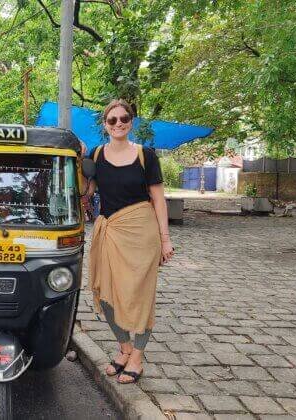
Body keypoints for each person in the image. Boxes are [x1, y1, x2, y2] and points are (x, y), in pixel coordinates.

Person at [86, 99, 174, 384]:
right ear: (105, 125)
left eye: (124, 118)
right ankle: (124, 347)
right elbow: (86, 192)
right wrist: (79, 159)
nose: (118, 123)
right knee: (105, 292)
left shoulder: (145, 155)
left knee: (140, 294)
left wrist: (165, 239)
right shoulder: (97, 155)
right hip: (110, 231)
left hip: (142, 232)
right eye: (112, 120)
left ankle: (137, 356)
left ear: (131, 121)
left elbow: (158, 199)